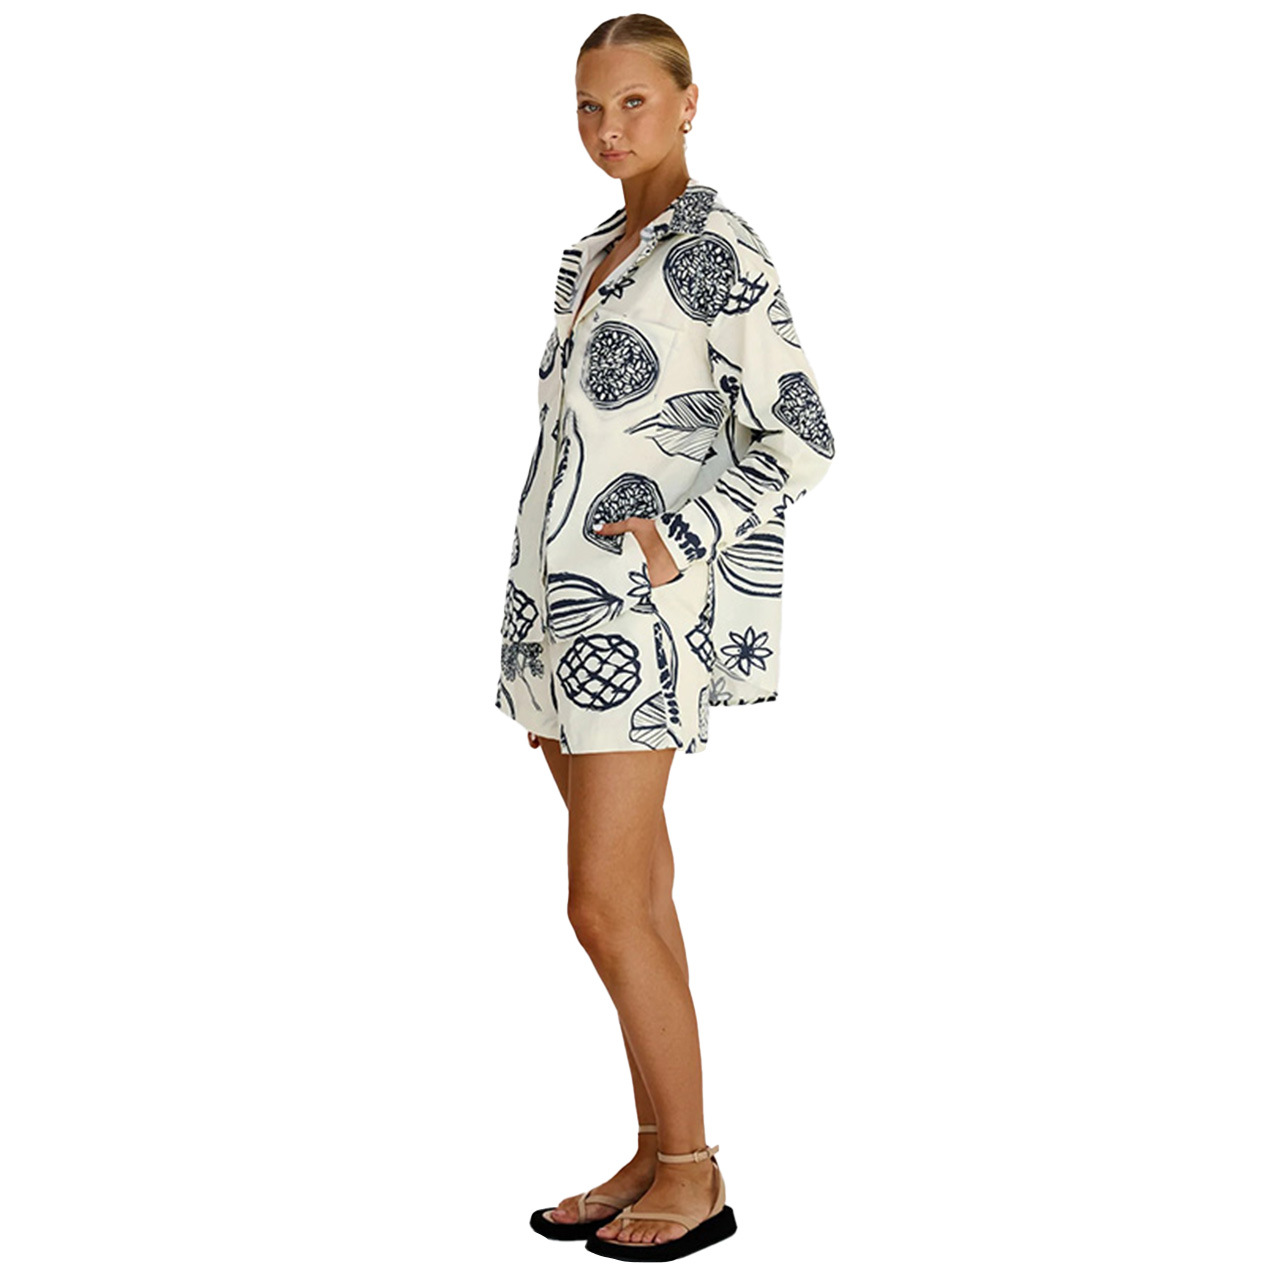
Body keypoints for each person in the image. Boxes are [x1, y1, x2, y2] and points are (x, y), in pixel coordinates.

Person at [496, 14, 835, 1262]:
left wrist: (671, 540)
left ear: (689, 102)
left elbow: (801, 436)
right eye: (588, 107)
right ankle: (656, 1147)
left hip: (634, 620)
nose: (607, 128)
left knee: (599, 903)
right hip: (554, 611)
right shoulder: (591, 251)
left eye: (632, 101)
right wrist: (530, 620)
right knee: (635, 894)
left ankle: (693, 1171)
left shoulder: (712, 244)